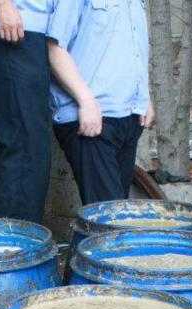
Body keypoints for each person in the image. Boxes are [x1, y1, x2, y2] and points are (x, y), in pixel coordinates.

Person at [46, 0, 155, 204]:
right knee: (108, 220)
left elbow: (132, 47)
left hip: (129, 117)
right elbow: (54, 49)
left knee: (113, 216)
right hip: (91, 120)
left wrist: (144, 96)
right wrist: (85, 100)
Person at [0, 0, 53, 224]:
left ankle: (21, 243)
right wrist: (3, 3)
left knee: (31, 145)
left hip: (29, 27)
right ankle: (16, 247)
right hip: (7, 23)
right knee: (25, 144)